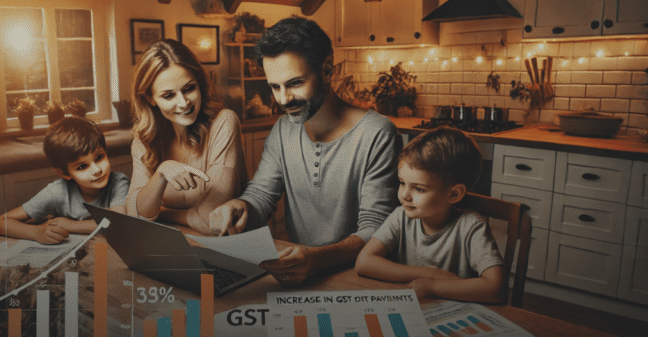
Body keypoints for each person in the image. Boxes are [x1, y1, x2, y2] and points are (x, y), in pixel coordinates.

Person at [209, 16, 401, 285]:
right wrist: (242, 206)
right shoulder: (282, 130)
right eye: (275, 87)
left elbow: (378, 229)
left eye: (295, 83)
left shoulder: (377, 134)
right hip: (302, 274)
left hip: (364, 276)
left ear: (327, 69)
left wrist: (318, 258)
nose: (283, 99)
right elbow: (261, 195)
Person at [355, 127, 506, 303]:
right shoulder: (401, 216)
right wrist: (429, 273)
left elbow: (497, 288)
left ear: (454, 194)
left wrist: (432, 287)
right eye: (402, 183)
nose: (405, 195)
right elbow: (364, 262)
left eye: (419, 188)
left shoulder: (471, 227)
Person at [126, 39, 248, 234]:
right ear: (150, 98)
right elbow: (135, 215)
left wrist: (161, 212)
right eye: (168, 96)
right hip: (176, 243)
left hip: (231, 248)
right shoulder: (144, 139)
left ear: (199, 84)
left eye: (189, 88)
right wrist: (162, 172)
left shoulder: (224, 122)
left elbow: (211, 219)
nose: (183, 103)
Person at [0, 116, 130, 244]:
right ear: (64, 173)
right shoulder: (57, 192)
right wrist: (37, 233)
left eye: (99, 157)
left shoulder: (118, 183)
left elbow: (117, 224)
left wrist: (69, 225)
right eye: (82, 166)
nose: (97, 170)